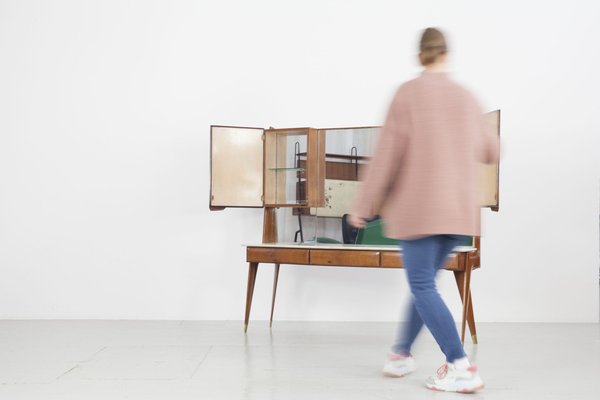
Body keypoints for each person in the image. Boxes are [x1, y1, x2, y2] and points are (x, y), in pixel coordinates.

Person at [347, 27, 499, 393]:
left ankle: (460, 365)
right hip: (458, 213)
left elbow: (385, 157)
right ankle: (400, 355)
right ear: (447, 54)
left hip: (420, 210)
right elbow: (491, 151)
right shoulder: (465, 96)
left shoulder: (408, 94)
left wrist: (363, 205)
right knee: (425, 285)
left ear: (420, 57)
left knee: (420, 285)